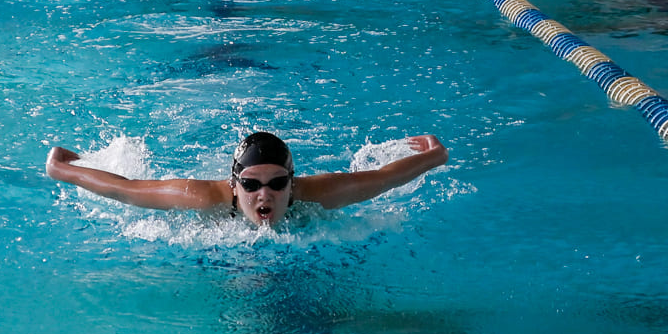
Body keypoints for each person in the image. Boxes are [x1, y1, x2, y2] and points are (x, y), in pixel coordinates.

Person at [45, 131, 448, 227]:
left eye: (277, 183)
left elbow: (382, 178)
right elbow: (127, 189)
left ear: (293, 182)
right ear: (235, 185)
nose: (264, 195)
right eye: (251, 185)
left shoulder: (320, 193)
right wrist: (61, 168)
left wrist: (434, 155)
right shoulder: (203, 197)